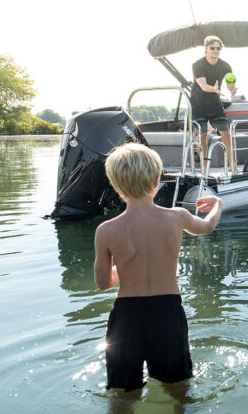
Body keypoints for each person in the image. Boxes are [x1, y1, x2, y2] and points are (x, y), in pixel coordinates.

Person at [94, 143, 222, 392]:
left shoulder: (106, 230)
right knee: (178, 389)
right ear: (156, 180)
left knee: (122, 394)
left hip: (127, 318)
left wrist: (128, 265)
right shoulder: (177, 217)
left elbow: (102, 283)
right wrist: (217, 205)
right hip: (167, 314)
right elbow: (207, 227)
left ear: (116, 184)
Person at [190, 35, 238, 173]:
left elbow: (230, 85)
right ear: (206, 49)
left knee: (226, 133)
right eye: (212, 48)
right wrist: (214, 89)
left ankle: (232, 166)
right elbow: (203, 85)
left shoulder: (225, 65)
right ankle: (204, 168)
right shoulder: (197, 65)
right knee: (202, 135)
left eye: (218, 48)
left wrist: (232, 89)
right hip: (198, 105)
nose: (215, 50)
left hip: (215, 104)